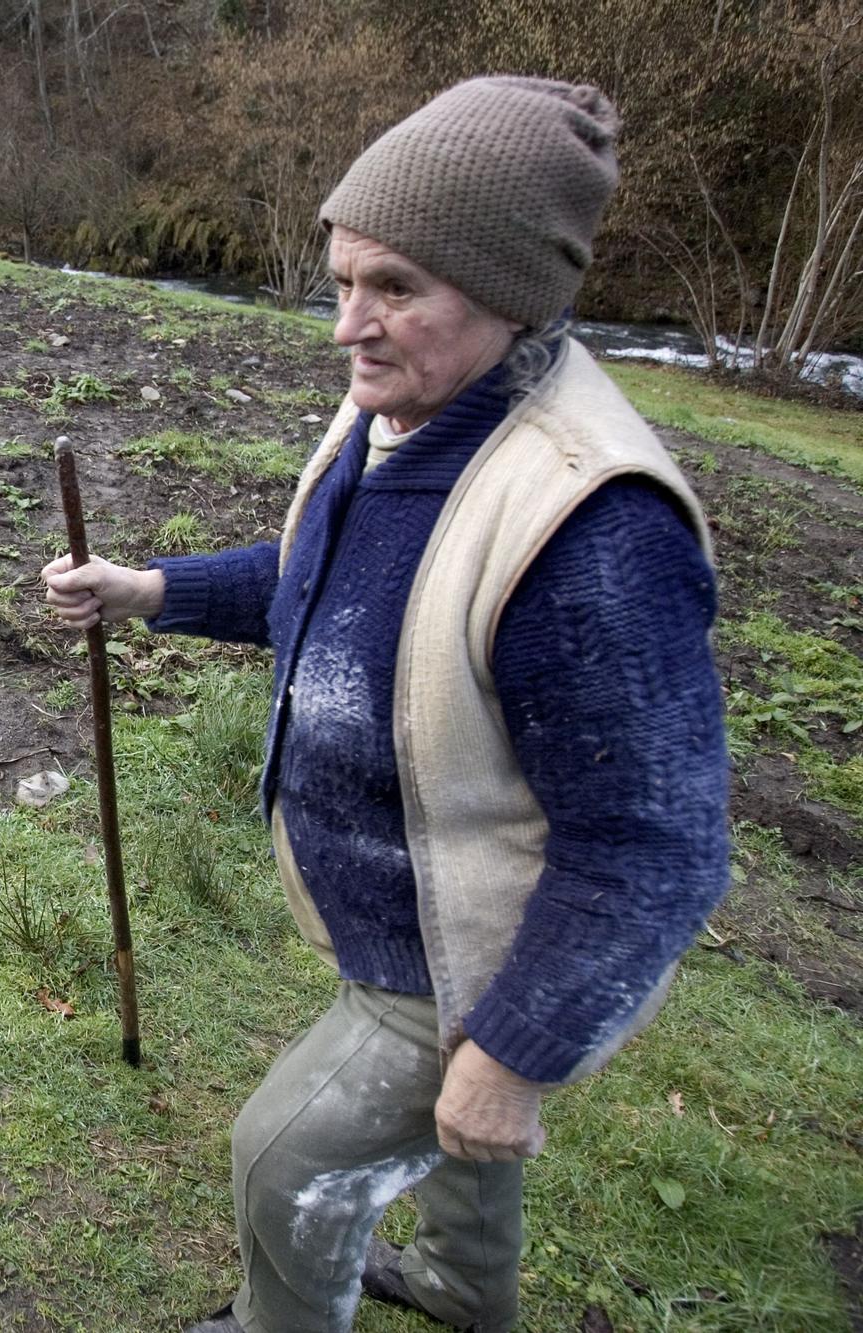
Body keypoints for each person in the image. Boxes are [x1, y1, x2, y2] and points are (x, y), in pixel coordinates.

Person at [42, 77, 730, 1332]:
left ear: (510, 290)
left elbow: (655, 846)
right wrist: (148, 590)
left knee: (280, 1157)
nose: (346, 325)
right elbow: (333, 592)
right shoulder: (409, 416)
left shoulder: (592, 531)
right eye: (342, 279)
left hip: (472, 950)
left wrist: (513, 1048)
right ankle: (469, 1292)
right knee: (449, 1125)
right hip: (402, 909)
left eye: (394, 287)